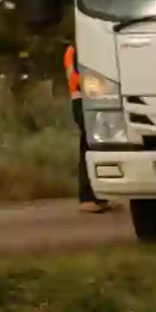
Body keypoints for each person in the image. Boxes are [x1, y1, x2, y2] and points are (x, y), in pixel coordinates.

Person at [68, 42, 110, 212]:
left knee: (94, 145)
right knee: (88, 146)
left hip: (85, 100)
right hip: (83, 100)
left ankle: (97, 195)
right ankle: (87, 196)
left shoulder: (77, 49)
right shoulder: (79, 50)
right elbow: (81, 79)